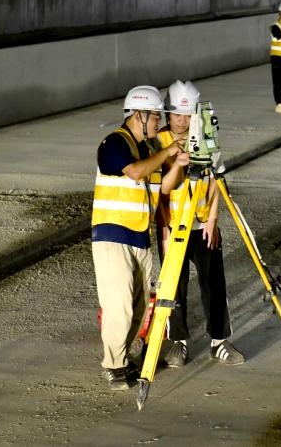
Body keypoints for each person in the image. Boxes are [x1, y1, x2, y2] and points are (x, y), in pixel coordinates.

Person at [92, 85, 189, 389]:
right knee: (118, 303)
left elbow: (164, 187)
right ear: (138, 114)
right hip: (112, 235)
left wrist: (180, 164)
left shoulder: (148, 150)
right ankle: (113, 367)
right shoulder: (113, 144)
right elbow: (134, 173)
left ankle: (121, 359)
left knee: (137, 308)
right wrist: (167, 152)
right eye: (155, 116)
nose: (159, 122)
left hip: (139, 237)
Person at [156, 80, 245, 367]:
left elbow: (218, 179)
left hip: (203, 224)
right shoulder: (158, 143)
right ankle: (178, 342)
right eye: (176, 115)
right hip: (173, 226)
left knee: (214, 283)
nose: (181, 121)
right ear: (168, 114)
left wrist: (213, 220)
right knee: (174, 286)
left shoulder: (206, 136)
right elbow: (156, 193)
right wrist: (164, 229)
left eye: (186, 115)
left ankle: (219, 340)